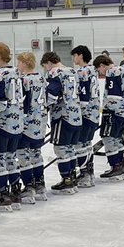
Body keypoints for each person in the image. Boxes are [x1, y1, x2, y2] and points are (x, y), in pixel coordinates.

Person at [0, 43, 26, 209]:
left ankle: (4, 194)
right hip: (17, 123)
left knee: (0, 158)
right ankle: (15, 192)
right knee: (11, 157)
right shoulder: (16, 72)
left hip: (3, 123)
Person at [40, 50, 83, 193]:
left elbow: (52, 94)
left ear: (49, 62)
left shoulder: (54, 72)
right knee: (70, 148)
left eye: (45, 66)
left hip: (62, 116)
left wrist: (44, 107)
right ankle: (72, 177)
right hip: (76, 115)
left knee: (61, 148)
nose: (46, 69)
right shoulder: (72, 71)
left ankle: (67, 179)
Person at [14, 52, 48, 199]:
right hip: (39, 122)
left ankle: (29, 186)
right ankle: (40, 184)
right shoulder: (41, 78)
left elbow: (23, 103)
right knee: (36, 153)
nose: (17, 65)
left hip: (27, 123)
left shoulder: (24, 80)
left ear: (24, 63)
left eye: (19, 62)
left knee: (23, 154)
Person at [94, 54, 124, 182]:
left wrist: (108, 110)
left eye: (99, 69)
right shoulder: (121, 70)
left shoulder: (112, 72)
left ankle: (115, 166)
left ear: (102, 65)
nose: (100, 73)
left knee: (108, 137)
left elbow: (114, 95)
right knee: (117, 138)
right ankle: (121, 166)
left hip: (115, 111)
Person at [72, 45, 102, 185]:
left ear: (80, 55)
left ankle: (84, 174)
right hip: (94, 112)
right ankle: (89, 173)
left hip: (86, 113)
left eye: (75, 55)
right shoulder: (93, 70)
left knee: (80, 144)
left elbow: (83, 96)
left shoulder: (83, 72)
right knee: (87, 143)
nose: (74, 59)